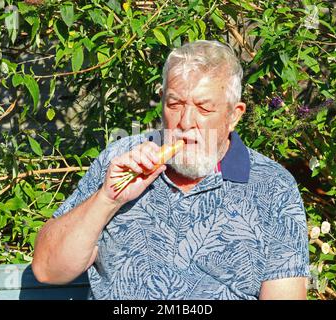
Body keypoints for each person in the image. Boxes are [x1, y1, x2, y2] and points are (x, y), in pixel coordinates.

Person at [32, 40, 310, 300]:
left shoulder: (272, 185)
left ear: (233, 115)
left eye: (203, 108)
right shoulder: (122, 159)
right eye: (175, 104)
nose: (186, 122)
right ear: (162, 100)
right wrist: (107, 199)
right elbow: (48, 269)